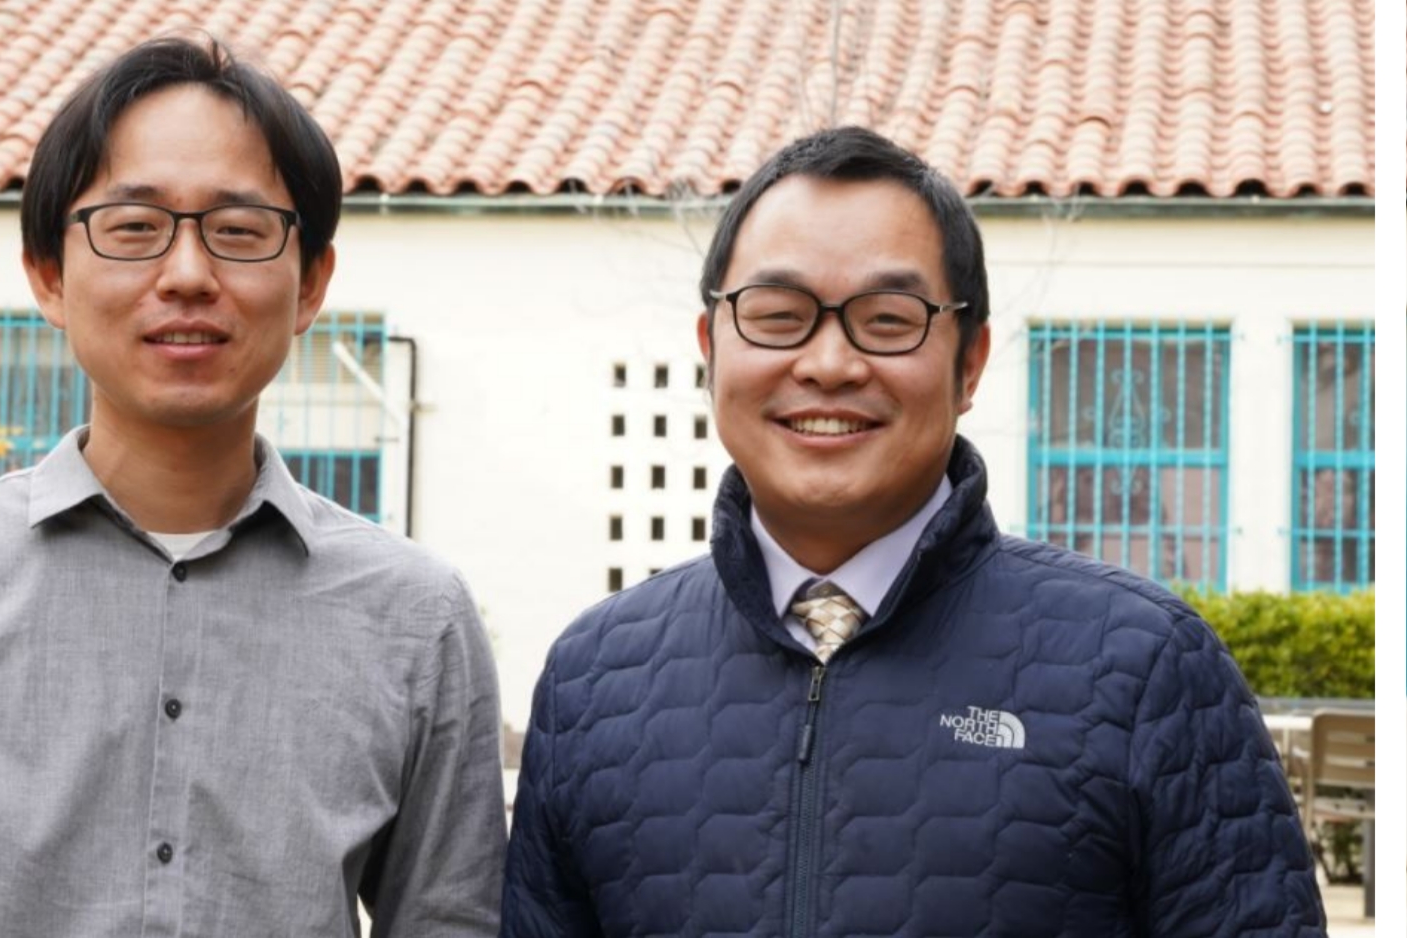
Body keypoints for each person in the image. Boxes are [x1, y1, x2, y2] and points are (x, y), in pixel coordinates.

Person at [0, 35, 504, 937]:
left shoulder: (417, 619)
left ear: (309, 285)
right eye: (133, 227)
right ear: (48, 274)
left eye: (239, 230)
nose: (188, 275)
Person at [501, 127, 1322, 935]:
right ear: (710, 348)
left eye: (889, 320)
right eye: (778, 315)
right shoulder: (595, 680)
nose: (828, 363)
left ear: (970, 364)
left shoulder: (1143, 668)